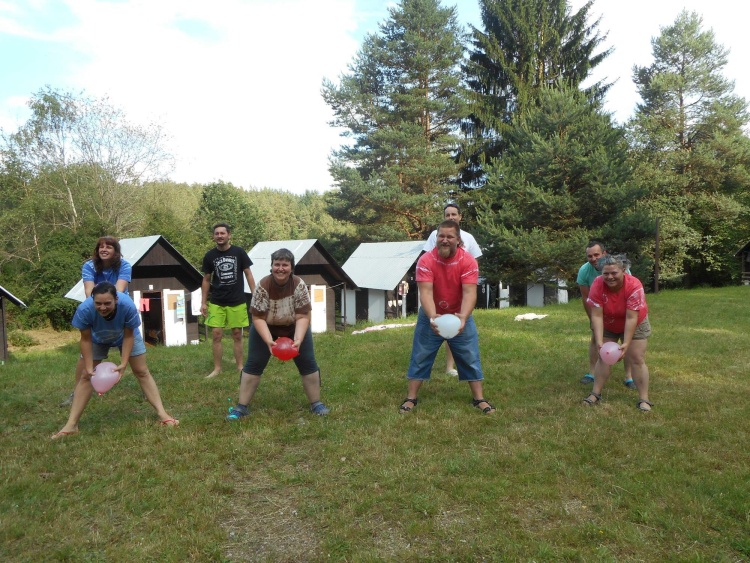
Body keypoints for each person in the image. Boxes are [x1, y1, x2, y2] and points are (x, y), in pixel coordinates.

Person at [51, 282, 178, 439]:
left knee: (142, 371)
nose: (102, 307)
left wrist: (123, 364)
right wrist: (89, 367)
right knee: (86, 376)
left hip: (125, 336)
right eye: (98, 303)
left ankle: (163, 415)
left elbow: (129, 335)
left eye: (107, 303)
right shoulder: (84, 309)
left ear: (116, 299)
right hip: (97, 338)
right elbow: (85, 339)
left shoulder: (127, 306)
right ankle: (71, 425)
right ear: (92, 300)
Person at [400, 220, 495, 415]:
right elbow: (426, 293)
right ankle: (411, 398)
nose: (445, 240)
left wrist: (463, 317)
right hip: (431, 315)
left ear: (458, 240)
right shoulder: (426, 260)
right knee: (420, 355)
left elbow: (469, 293)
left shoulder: (468, 261)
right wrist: (432, 317)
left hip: (460, 314)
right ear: (436, 238)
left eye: (450, 236)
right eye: (441, 236)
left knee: (470, 356)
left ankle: (479, 399)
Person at [226, 248, 329, 419]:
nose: (280, 268)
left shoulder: (299, 284)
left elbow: (303, 316)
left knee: (308, 364)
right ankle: (241, 407)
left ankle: (316, 404)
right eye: (277, 264)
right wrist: (268, 341)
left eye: (285, 265)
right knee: (253, 365)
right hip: (266, 327)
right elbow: (258, 318)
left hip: (294, 327)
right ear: (272, 266)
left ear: (291, 267)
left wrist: (298, 339)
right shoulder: (262, 285)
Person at [60, 236, 133, 407]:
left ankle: (145, 389)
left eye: (109, 246)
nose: (104, 249)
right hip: (97, 312)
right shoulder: (89, 266)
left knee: (137, 359)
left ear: (116, 251)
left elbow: (119, 291)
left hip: (120, 313)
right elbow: (88, 291)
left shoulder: (125, 266)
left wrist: (109, 307)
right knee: (85, 360)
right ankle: (76, 393)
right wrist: (96, 310)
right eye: (101, 246)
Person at [582, 254, 653, 412]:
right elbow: (596, 315)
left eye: (614, 273)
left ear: (624, 270)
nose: (610, 277)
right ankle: (595, 393)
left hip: (635, 321)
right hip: (609, 320)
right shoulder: (597, 284)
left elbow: (631, 317)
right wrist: (599, 341)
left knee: (636, 358)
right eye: (606, 273)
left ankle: (644, 399)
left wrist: (626, 343)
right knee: (603, 356)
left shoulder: (634, 285)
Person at [423, 203, 482, 377]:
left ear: (460, 216)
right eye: (447, 214)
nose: (451, 217)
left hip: (459, 295)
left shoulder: (469, 238)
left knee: (455, 332)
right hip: (438, 294)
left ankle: (450, 366)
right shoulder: (434, 235)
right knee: (433, 335)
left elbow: (474, 263)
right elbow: (427, 258)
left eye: (454, 214)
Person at [201, 223, 256, 378]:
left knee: (237, 334)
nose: (219, 236)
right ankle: (217, 369)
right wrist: (203, 302)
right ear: (213, 236)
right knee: (216, 334)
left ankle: (240, 367)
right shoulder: (209, 256)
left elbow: (248, 274)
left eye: (222, 233)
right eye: (217, 233)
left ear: (229, 235)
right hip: (217, 301)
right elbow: (206, 279)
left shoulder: (239, 252)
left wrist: (255, 295)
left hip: (237, 300)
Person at [577, 241, 634, 389]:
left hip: (621, 309)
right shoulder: (584, 270)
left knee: (627, 341)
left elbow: (629, 293)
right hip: (599, 309)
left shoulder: (619, 268)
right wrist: (592, 319)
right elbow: (586, 297)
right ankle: (592, 373)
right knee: (596, 339)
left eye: (596, 254)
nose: (593, 258)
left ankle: (629, 376)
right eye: (590, 256)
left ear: (604, 253)